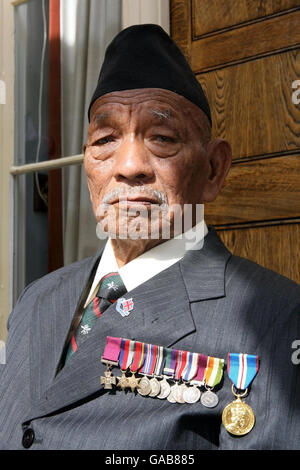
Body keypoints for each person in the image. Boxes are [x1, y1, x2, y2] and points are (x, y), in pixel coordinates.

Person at [0, 24, 299, 451]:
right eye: (105, 139)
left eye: (161, 138)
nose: (129, 166)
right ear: (87, 164)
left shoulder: (276, 318)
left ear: (213, 169)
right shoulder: (37, 300)